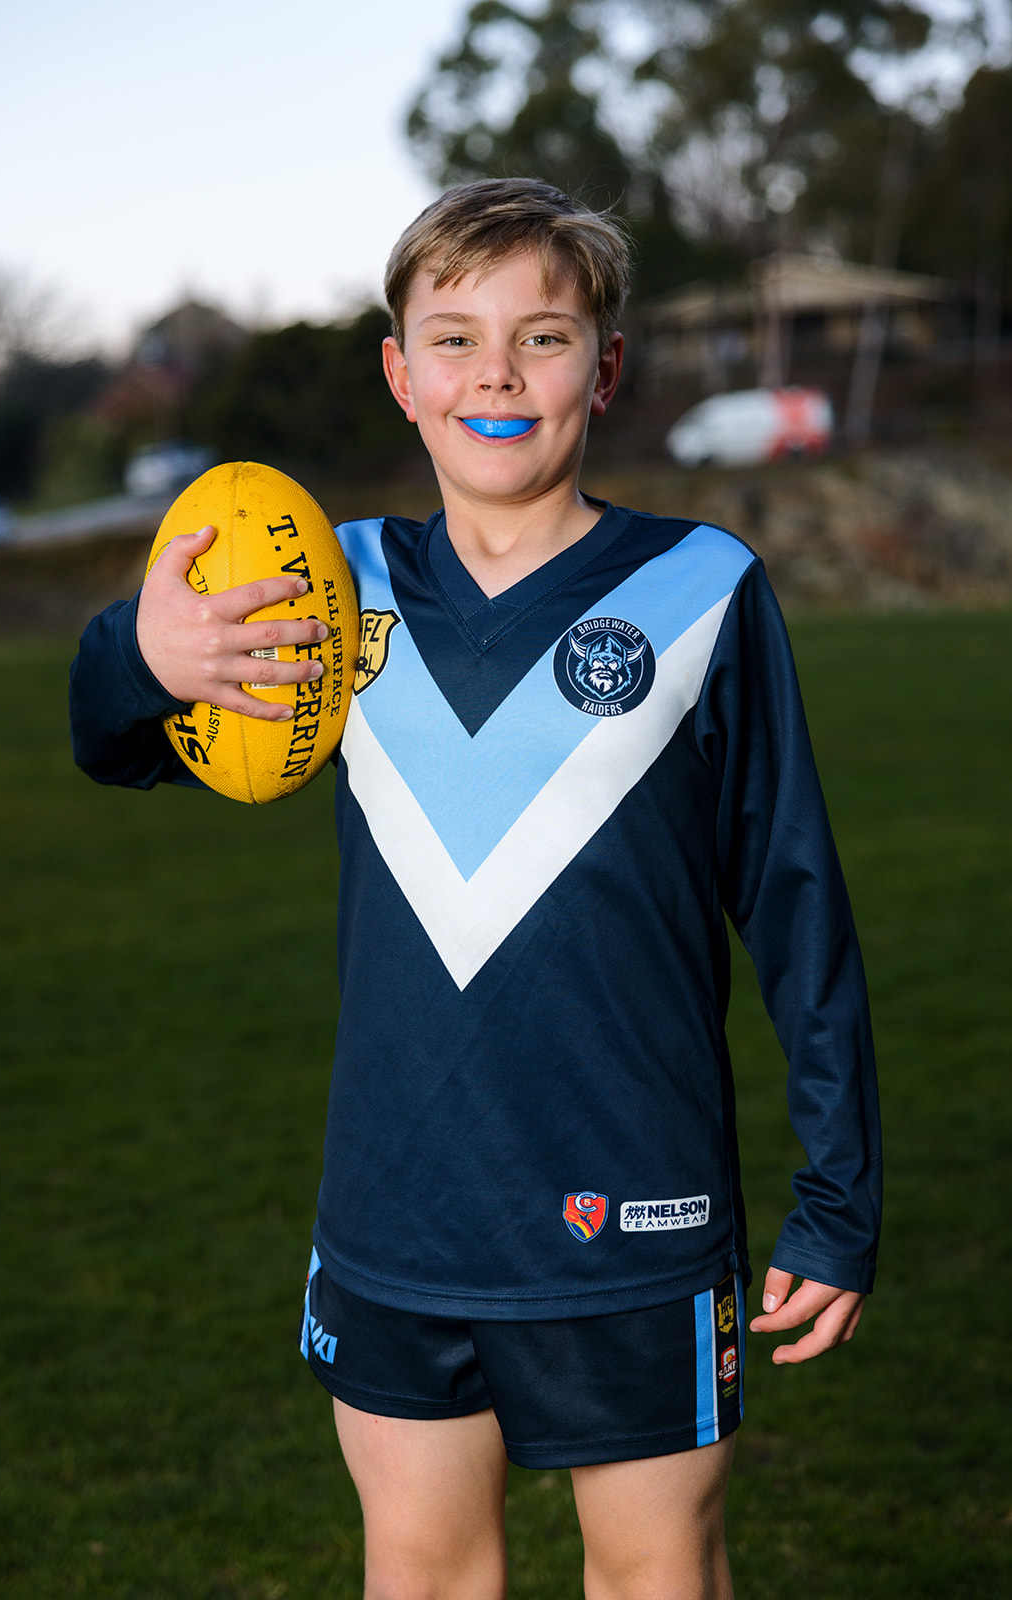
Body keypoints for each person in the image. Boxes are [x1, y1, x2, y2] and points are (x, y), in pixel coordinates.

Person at [70, 178, 881, 1600]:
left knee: (657, 1577)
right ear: (401, 376)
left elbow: (798, 903)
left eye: (542, 337)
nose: (496, 373)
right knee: (424, 1573)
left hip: (636, 1209)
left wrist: (839, 1194)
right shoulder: (334, 592)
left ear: (604, 371)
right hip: (397, 1213)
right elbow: (114, 738)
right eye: (454, 339)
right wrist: (144, 655)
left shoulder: (702, 589)